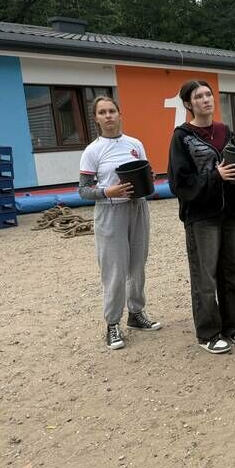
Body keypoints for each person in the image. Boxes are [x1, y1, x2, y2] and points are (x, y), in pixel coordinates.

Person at [167, 79, 235, 354]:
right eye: (198, 96)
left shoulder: (224, 131)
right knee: (205, 276)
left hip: (231, 213)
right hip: (201, 216)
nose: (205, 99)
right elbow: (179, 183)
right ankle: (208, 333)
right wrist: (215, 176)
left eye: (208, 94)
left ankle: (232, 326)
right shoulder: (182, 137)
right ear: (188, 104)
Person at [79, 96, 161, 350]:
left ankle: (136, 313)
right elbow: (83, 190)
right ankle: (112, 323)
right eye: (102, 112)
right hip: (110, 211)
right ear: (96, 118)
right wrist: (107, 192)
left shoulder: (135, 144)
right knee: (114, 269)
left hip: (137, 207)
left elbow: (146, 171)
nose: (108, 116)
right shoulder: (92, 151)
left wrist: (149, 177)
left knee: (137, 264)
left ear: (119, 114)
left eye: (112, 111)